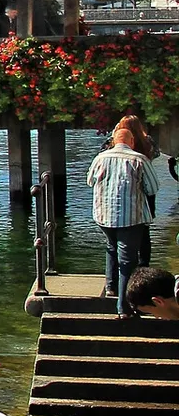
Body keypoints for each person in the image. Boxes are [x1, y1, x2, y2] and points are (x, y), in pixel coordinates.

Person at [88, 124, 158, 315]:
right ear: (132, 141)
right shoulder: (139, 160)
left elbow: (90, 181)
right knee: (128, 261)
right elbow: (153, 188)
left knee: (112, 247)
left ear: (113, 141)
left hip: (103, 216)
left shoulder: (100, 158)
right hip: (131, 217)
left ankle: (111, 287)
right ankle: (124, 307)